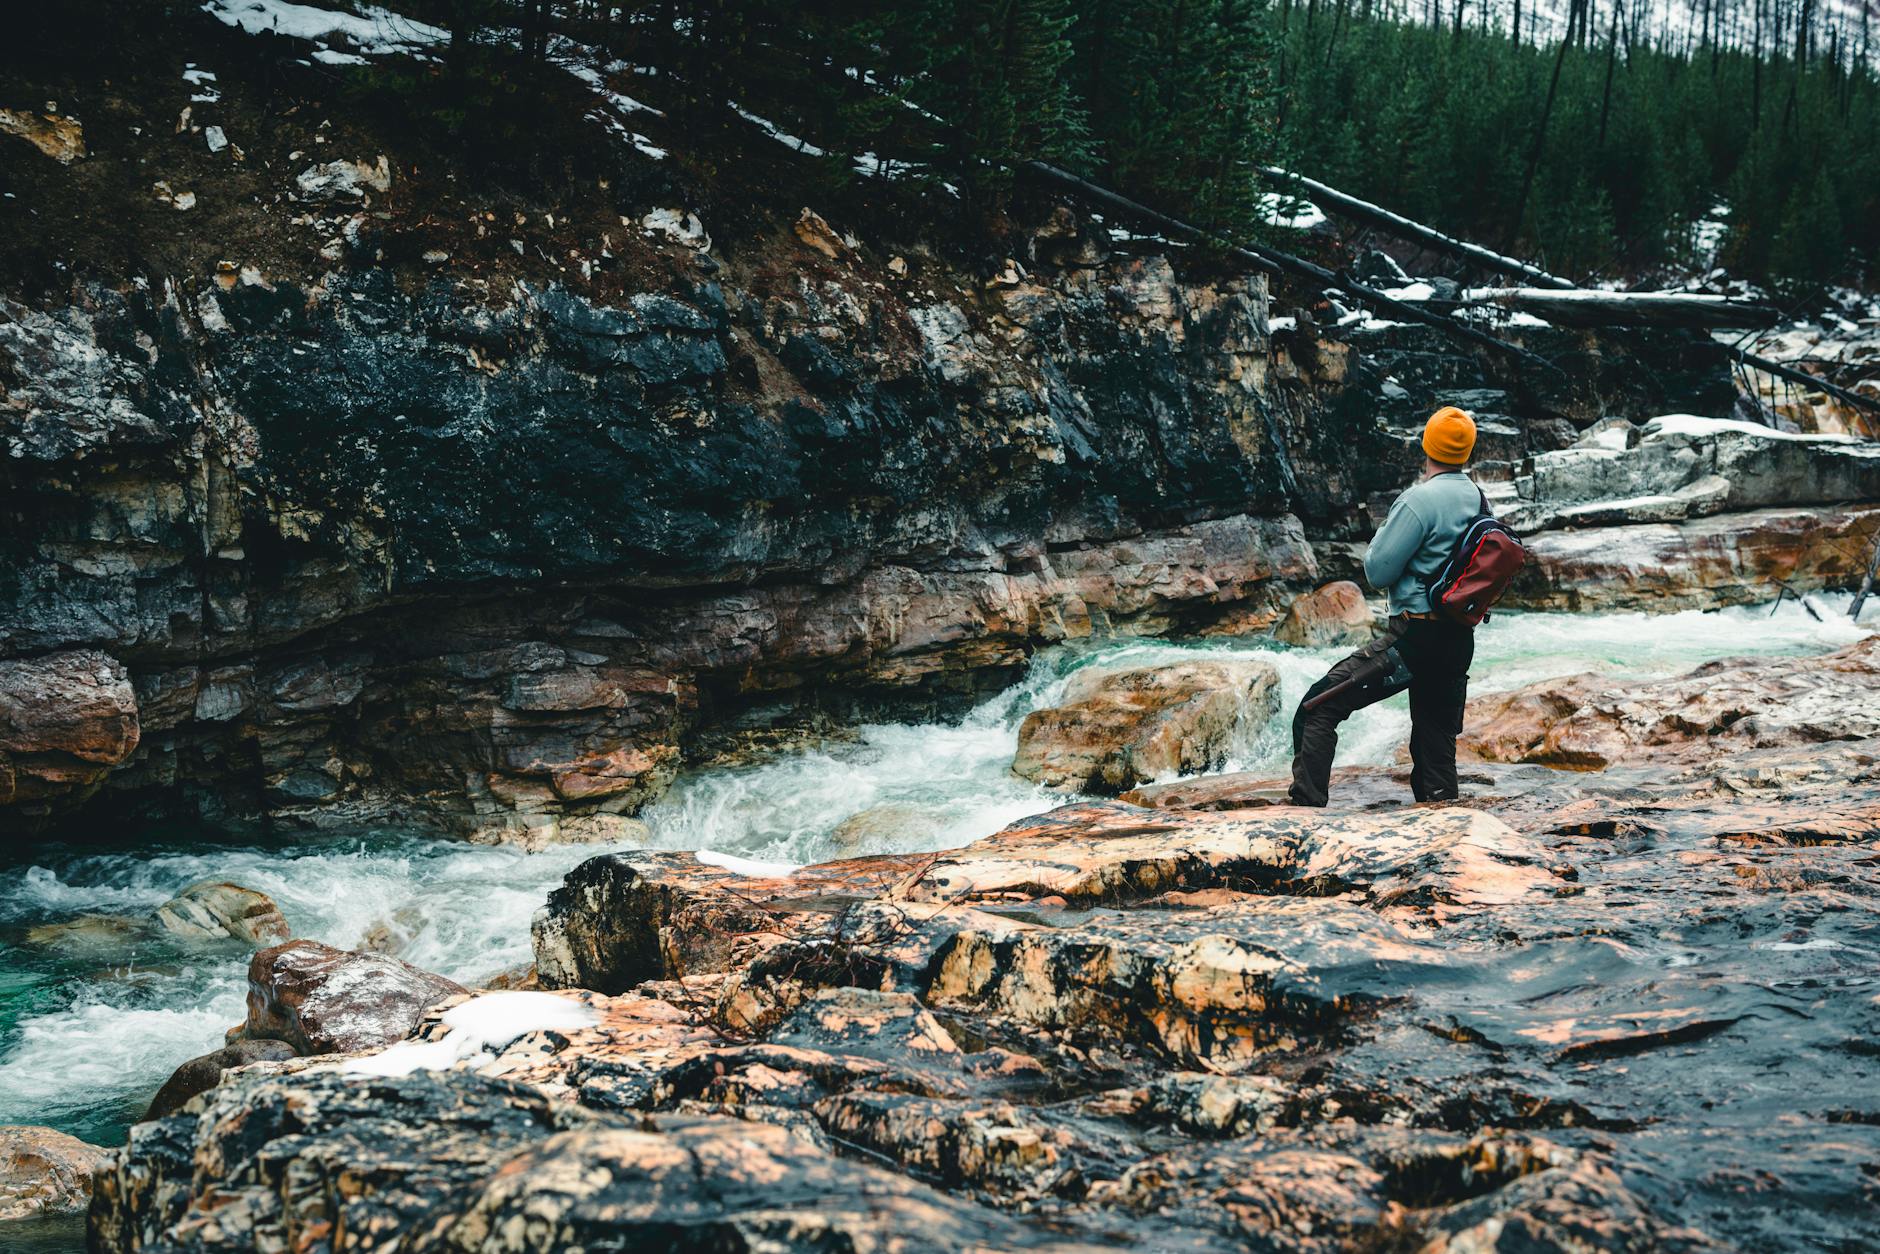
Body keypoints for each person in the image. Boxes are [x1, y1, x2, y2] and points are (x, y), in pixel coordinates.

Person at [1288, 406, 1482, 807]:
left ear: (1426, 446)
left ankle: (1302, 818)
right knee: (1435, 741)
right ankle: (1443, 827)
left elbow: (1378, 572)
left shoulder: (1419, 500)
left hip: (1414, 641)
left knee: (1316, 709)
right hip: (1458, 640)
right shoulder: (1477, 497)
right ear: (1467, 452)